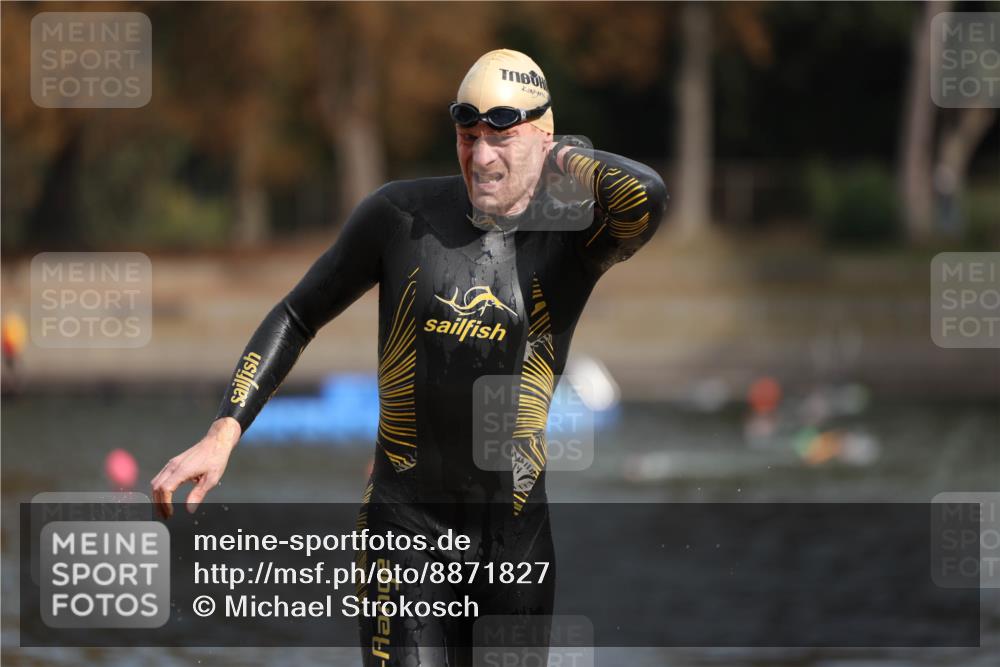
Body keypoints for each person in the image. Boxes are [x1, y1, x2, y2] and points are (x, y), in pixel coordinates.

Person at [152, 48, 667, 665]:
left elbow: (649, 193)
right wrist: (223, 431)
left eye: (502, 137)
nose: (481, 158)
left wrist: (558, 157)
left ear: (544, 133)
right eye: (467, 135)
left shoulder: (573, 236)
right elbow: (297, 314)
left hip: (515, 544)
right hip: (404, 530)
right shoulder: (400, 215)